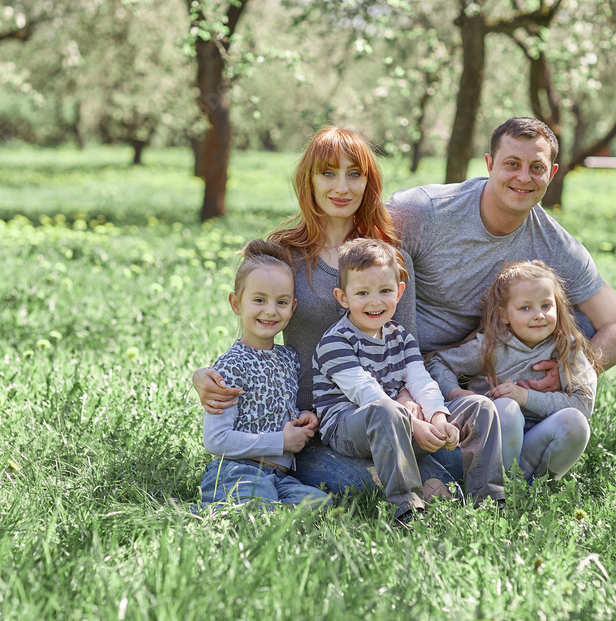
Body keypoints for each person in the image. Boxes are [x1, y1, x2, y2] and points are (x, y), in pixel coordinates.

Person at [194, 127, 461, 501]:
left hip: (385, 419)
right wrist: (204, 375)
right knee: (374, 486)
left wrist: (408, 407)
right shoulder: (284, 253)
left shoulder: (390, 261)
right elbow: (258, 326)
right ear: (310, 180)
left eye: (354, 174)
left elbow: (406, 349)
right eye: (328, 173)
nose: (342, 187)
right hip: (311, 425)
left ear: (368, 182)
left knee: (455, 467)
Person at [388, 116, 616, 483]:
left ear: (551, 174)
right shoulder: (425, 211)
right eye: (512, 164)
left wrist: (573, 370)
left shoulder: (557, 246)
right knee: (347, 478)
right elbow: (355, 269)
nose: (523, 178)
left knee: (574, 325)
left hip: (497, 379)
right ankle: (456, 465)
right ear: (489, 164)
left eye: (536, 168)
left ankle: (494, 474)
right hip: (412, 370)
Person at [313, 239, 505, 522]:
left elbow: (420, 380)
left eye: (385, 291)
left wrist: (438, 417)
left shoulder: (400, 336)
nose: (375, 301)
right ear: (343, 297)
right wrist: (414, 424)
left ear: (400, 291)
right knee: (385, 410)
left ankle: (487, 501)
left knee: (480, 406)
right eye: (362, 293)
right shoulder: (335, 341)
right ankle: (407, 509)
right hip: (349, 427)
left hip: (397, 419)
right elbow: (366, 392)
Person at [426, 261, 601, 481]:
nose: (538, 315)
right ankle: (497, 487)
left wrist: (526, 397)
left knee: (575, 423)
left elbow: (583, 405)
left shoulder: (568, 348)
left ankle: (530, 488)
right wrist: (455, 393)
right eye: (525, 308)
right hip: (492, 443)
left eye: (546, 305)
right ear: (504, 315)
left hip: (539, 438)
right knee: (507, 408)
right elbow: (437, 363)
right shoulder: (491, 346)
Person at [198, 240, 331, 509]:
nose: (271, 310)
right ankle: (209, 510)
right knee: (259, 513)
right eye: (259, 300)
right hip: (237, 470)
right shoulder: (231, 366)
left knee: (321, 506)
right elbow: (215, 440)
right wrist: (281, 441)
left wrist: (301, 419)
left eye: (281, 302)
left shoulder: (288, 358)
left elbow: (274, 411)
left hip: (278, 476)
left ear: (292, 308)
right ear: (236, 303)